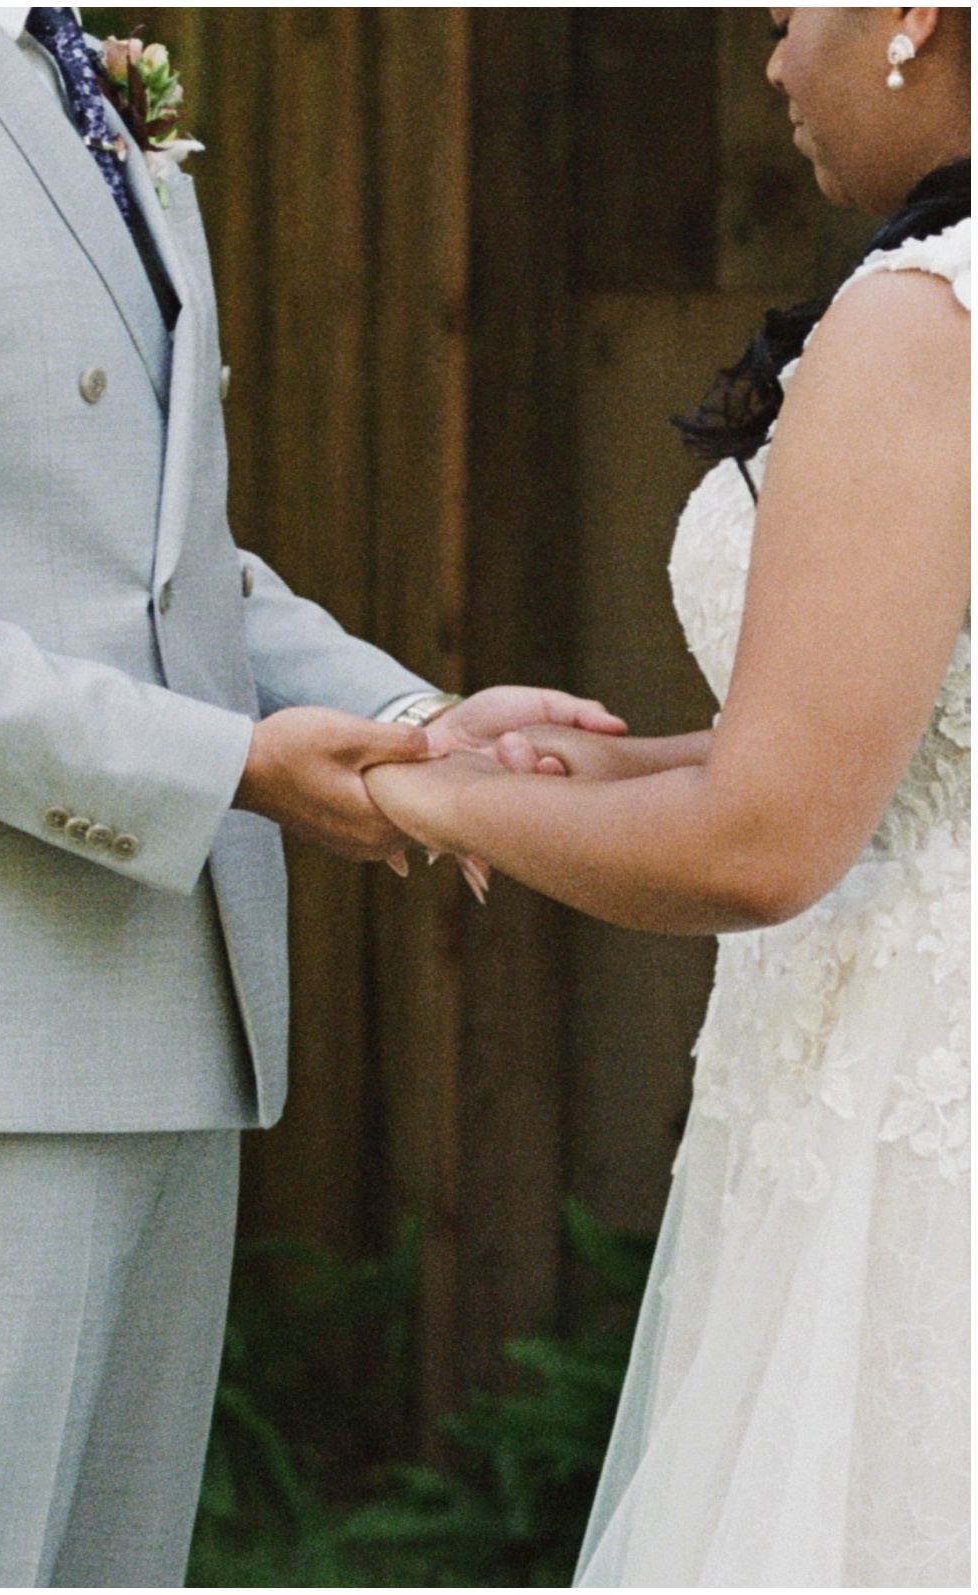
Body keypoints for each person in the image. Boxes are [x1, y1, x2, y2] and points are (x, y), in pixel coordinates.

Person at [0, 8, 623, 1586]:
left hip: (163, 1038)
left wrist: (404, 721)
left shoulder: (89, 73)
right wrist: (229, 770)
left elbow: (155, 567)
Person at [365, 7, 969, 1585]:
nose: (772, 59)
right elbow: (910, 754)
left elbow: (767, 843)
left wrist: (426, 801)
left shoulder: (926, 321)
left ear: (913, 14)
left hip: (908, 1133)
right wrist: (602, 766)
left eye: (787, 9)